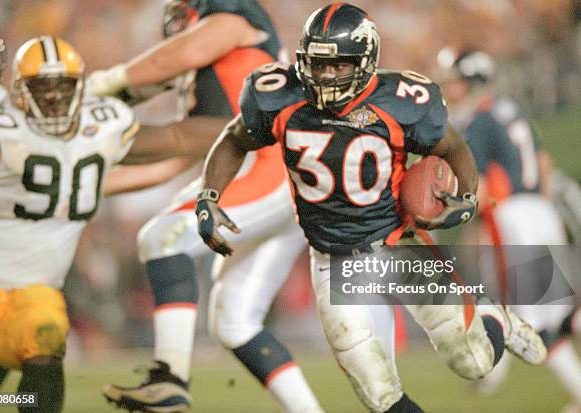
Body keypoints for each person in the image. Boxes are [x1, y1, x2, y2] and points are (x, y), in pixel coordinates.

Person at [196, 3, 549, 412]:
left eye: (339, 65)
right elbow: (235, 139)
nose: (325, 76)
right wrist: (209, 196)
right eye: (317, 64)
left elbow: (452, 147)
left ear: (365, 60)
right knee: (379, 396)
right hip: (333, 260)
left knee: (474, 362)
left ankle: (493, 318)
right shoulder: (278, 96)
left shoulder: (401, 100)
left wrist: (467, 198)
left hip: (400, 244)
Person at [89, 1, 322, 412]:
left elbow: (180, 62)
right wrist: (81, 188)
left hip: (267, 165)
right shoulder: (214, 73)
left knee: (163, 238)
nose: (179, 27)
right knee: (234, 322)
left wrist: (100, 89)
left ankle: (171, 378)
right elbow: (169, 163)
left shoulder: (234, 17)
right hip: (268, 176)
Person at [0, 34, 198, 412]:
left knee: (44, 336)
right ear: (21, 92)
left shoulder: (92, 138)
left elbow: (169, 145)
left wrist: (248, 125)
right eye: (44, 89)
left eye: (63, 88)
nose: (55, 99)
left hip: (25, 295)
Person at [436, 47, 581, 412]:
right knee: (560, 313)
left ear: (471, 80)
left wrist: (450, 218)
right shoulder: (511, 110)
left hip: (515, 216)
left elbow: (482, 187)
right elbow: (543, 163)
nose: (450, 88)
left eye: (455, 81)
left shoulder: (479, 122)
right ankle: (495, 374)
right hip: (542, 209)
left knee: (537, 323)